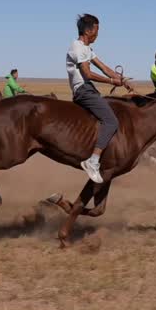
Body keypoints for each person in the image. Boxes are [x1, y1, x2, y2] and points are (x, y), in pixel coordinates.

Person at [67, 13, 133, 184]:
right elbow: (87, 74)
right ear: (89, 31)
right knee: (111, 121)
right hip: (83, 90)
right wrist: (112, 81)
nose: (98, 34)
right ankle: (93, 160)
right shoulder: (77, 48)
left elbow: (103, 67)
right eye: (97, 30)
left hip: (89, 89)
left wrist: (122, 80)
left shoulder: (87, 49)